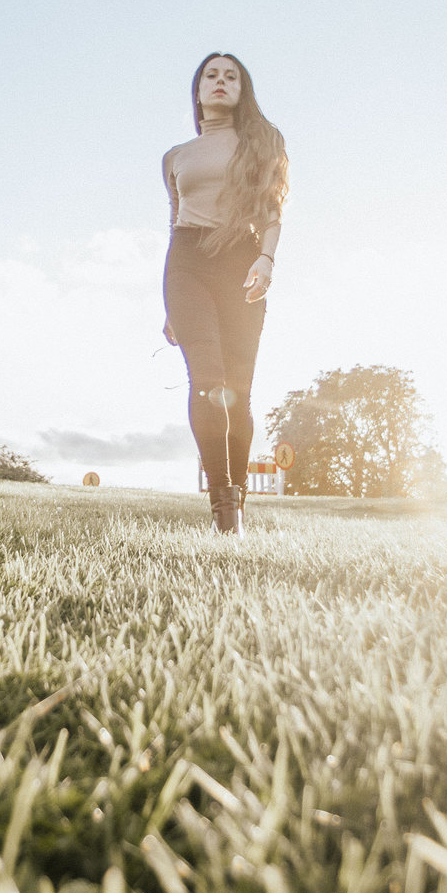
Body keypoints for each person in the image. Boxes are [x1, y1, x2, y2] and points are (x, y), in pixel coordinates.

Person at [161, 52, 288, 534]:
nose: (220, 82)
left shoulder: (262, 143)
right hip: (187, 264)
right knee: (208, 381)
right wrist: (171, 306)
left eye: (230, 76)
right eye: (211, 76)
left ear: (242, 90)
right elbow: (174, 221)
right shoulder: (175, 157)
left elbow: (273, 211)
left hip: (241, 261)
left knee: (239, 392)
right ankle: (224, 510)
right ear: (197, 91)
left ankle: (236, 499)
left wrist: (266, 259)